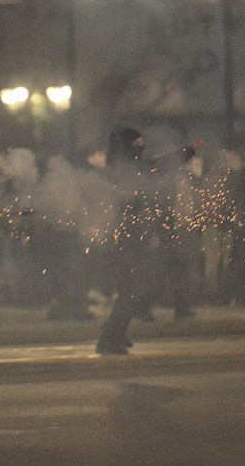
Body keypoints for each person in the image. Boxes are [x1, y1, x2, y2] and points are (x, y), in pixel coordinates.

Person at [95, 127, 202, 355]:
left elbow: (163, 164)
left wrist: (190, 150)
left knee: (152, 286)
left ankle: (115, 328)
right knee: (133, 290)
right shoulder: (121, 171)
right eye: (137, 143)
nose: (141, 147)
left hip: (136, 239)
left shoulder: (134, 168)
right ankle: (109, 336)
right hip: (124, 240)